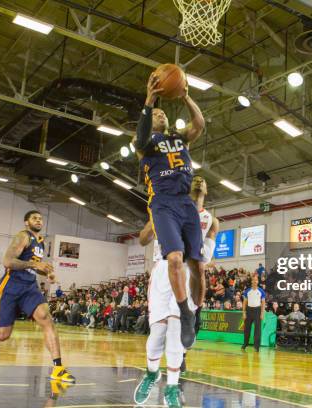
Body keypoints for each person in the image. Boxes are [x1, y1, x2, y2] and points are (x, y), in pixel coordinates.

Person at [133, 72, 206, 349]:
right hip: (163, 203)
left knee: (198, 267)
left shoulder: (180, 139)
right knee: (175, 258)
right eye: (156, 114)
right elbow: (139, 138)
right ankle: (185, 312)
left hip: (186, 202)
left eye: (163, 112)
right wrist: (150, 100)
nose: (161, 115)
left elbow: (199, 124)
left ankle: (195, 312)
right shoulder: (145, 145)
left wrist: (185, 94)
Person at [134, 175, 218, 408]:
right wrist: (154, 221)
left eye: (203, 180)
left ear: (207, 189)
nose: (199, 182)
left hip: (189, 271)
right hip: (164, 269)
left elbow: (206, 255)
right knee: (156, 337)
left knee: (175, 334)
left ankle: (172, 386)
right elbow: (142, 239)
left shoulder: (211, 220)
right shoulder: (167, 206)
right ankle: (152, 373)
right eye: (195, 179)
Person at [0, 210, 75, 383]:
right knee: (3, 335)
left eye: (41, 218)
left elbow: (31, 265)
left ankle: (58, 368)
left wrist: (45, 271)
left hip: (29, 286)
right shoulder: (23, 236)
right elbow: (8, 261)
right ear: (26, 222)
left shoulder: (40, 243)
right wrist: (35, 264)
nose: (39, 220)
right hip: (11, 286)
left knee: (46, 318)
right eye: (35, 218)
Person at [242, 274, 266, 352]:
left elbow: (263, 303)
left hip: (257, 311)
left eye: (256, 280)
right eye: (253, 280)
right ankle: (245, 344)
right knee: (247, 329)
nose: (254, 281)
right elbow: (244, 302)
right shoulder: (247, 291)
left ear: (258, 281)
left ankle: (256, 347)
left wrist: (262, 313)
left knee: (257, 330)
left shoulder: (261, 291)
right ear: (251, 281)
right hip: (249, 311)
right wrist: (244, 313)